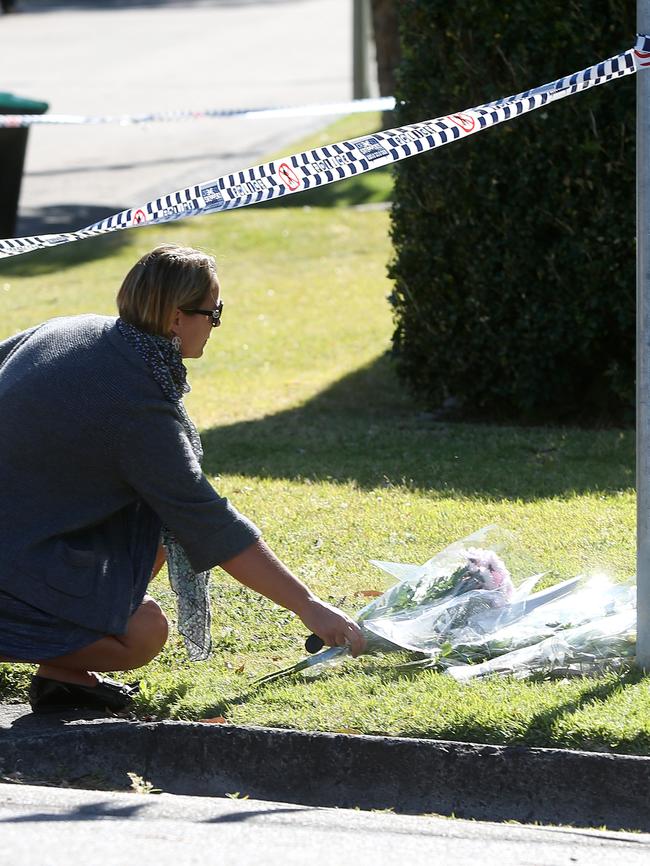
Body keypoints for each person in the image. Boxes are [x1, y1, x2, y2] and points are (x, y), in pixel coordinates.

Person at [0, 243, 365, 713]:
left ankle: (63, 679)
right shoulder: (137, 407)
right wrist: (310, 607)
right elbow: (208, 522)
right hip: (15, 549)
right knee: (143, 633)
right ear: (176, 319)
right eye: (213, 314)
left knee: (151, 520)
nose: (215, 325)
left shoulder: (72, 330)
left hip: (26, 530)